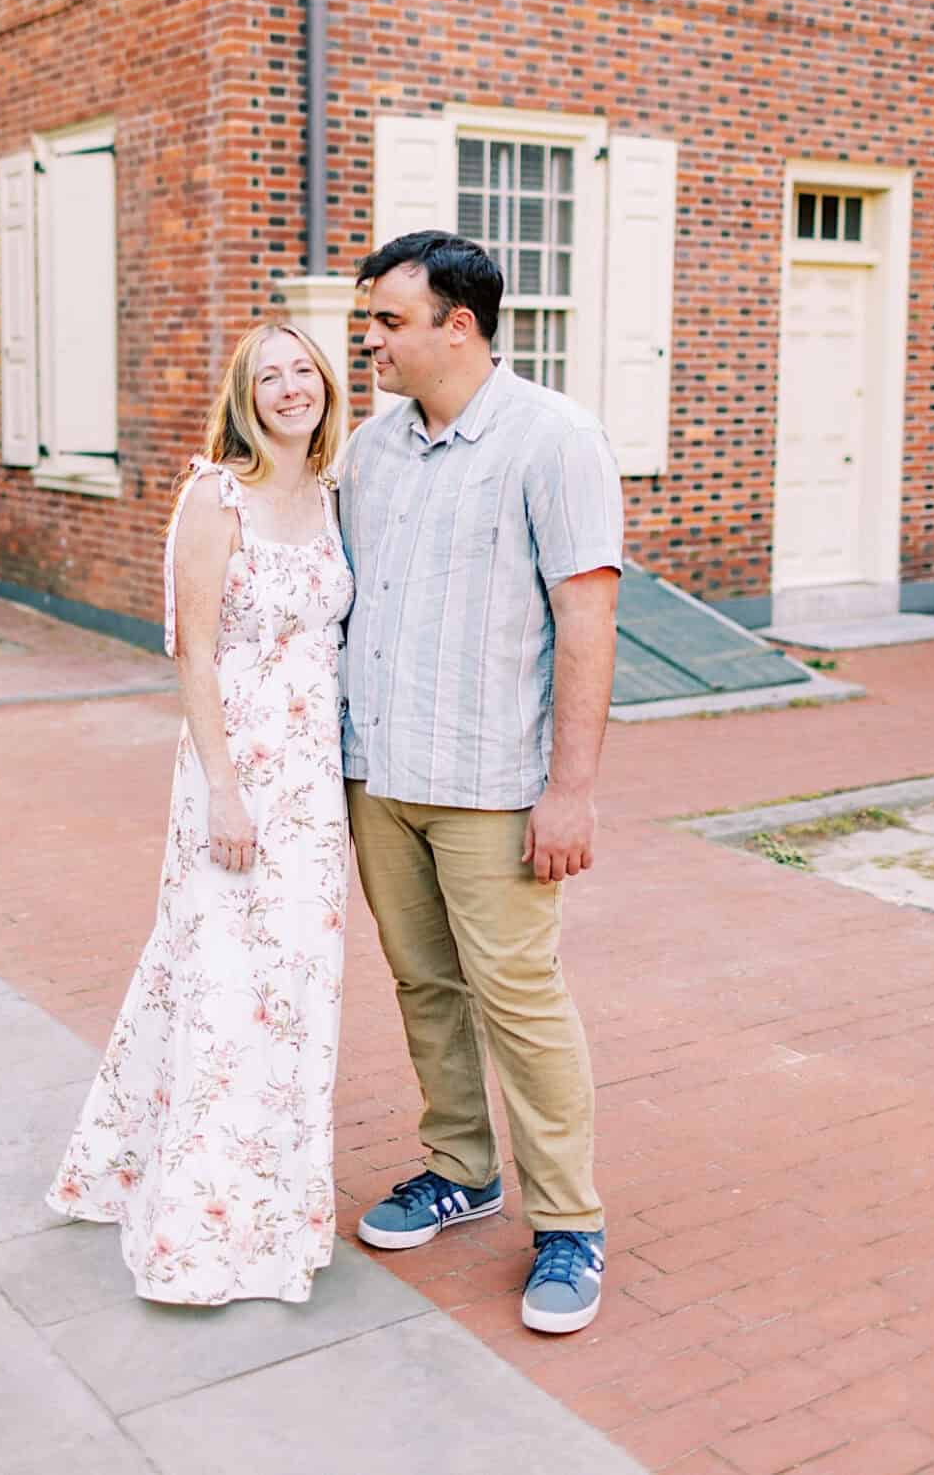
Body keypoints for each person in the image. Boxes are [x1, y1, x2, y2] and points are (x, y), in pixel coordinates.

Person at [340, 230, 622, 1336]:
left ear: (459, 325)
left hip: (493, 781)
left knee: (519, 1001)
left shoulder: (553, 442)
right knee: (422, 983)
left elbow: (587, 620)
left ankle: (569, 1222)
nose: (368, 341)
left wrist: (571, 789)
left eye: (387, 322)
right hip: (382, 771)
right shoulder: (372, 447)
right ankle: (461, 1166)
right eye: (367, 321)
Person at [46, 323, 353, 1305]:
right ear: (245, 396)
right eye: (269, 376)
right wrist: (224, 789)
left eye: (302, 369)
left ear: (326, 383)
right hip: (235, 778)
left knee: (295, 994)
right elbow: (193, 653)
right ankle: (207, 1218)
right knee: (220, 980)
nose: (290, 386)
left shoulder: (336, 495)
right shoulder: (212, 497)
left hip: (314, 792)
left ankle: (275, 1194)